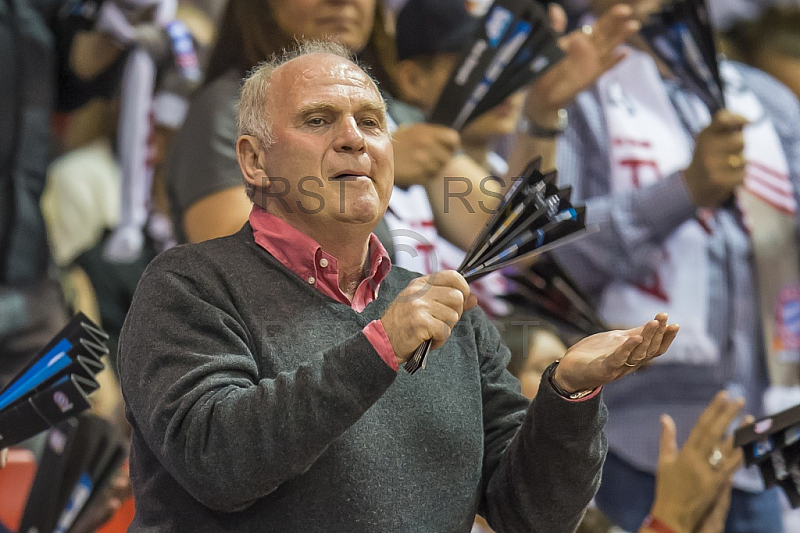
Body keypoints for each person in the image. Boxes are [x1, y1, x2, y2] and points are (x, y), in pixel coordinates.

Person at [117, 41, 679, 531]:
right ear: (254, 161)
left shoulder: (444, 311)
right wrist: (379, 347)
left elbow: (529, 514)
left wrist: (568, 396)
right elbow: (219, 462)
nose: (353, 140)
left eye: (371, 122)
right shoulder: (188, 286)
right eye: (318, 120)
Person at [549, 0, 800, 531]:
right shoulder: (570, 94)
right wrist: (684, 190)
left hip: (761, 433)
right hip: (629, 441)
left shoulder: (765, 100)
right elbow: (549, 254)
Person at [166, 0, 461, 247]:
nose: (343, 0)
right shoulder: (228, 110)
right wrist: (367, 167)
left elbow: (492, 224)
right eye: (317, 120)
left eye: (369, 122)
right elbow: (231, 259)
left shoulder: (395, 111)